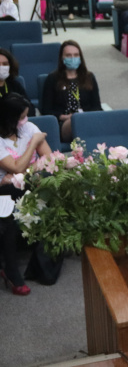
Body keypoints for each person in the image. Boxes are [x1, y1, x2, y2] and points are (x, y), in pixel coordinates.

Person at [0, 93, 52, 296]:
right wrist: (33, 145)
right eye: (22, 117)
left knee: (51, 191)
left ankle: (41, 268)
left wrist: (22, 175)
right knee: (9, 215)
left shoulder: (29, 128)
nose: (26, 121)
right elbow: (15, 165)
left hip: (27, 185)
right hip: (2, 193)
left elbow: (48, 159)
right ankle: (12, 272)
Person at [42, 40, 102, 142]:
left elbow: (97, 106)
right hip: (63, 123)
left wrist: (85, 116)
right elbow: (46, 110)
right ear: (62, 58)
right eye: (68, 55)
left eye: (76, 55)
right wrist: (63, 117)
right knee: (74, 121)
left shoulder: (89, 77)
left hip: (87, 118)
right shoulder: (52, 79)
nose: (73, 58)